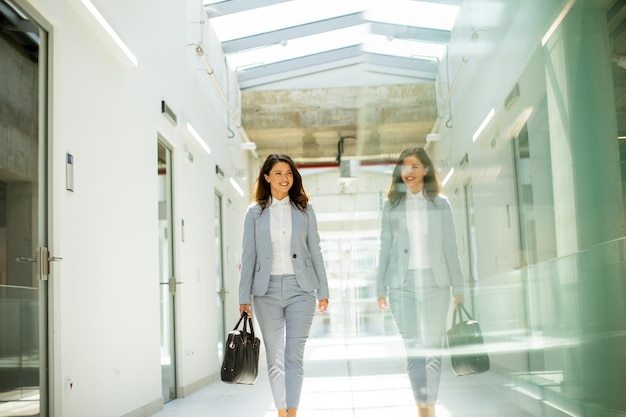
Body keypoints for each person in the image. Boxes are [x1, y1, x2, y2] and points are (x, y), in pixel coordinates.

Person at [239, 153, 330, 417]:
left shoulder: (304, 210)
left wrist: (323, 290)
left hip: (301, 289)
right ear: (266, 177)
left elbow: (316, 251)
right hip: (265, 292)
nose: (284, 178)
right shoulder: (254, 213)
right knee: (275, 358)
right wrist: (243, 296)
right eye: (278, 173)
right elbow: (248, 255)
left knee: (294, 357)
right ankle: (281, 411)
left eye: (289, 173)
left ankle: (292, 412)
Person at [377, 147, 465, 417]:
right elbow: (385, 247)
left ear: (425, 170)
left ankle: (431, 405)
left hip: (436, 283)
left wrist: (459, 287)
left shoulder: (440, 203)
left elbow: (451, 246)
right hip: (402, 284)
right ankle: (422, 409)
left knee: (433, 348)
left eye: (414, 166)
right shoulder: (391, 206)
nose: (409, 172)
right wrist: (380, 286)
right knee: (414, 349)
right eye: (404, 167)